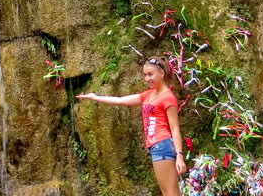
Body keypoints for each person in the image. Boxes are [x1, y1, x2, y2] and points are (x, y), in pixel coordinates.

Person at [76, 55, 186, 196]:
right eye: (145, 75)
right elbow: (120, 101)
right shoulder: (149, 94)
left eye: (150, 74)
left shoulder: (168, 97)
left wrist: (179, 156)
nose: (147, 79)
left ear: (162, 73)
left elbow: (175, 128)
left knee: (171, 193)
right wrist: (94, 97)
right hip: (156, 147)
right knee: (167, 192)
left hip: (163, 146)